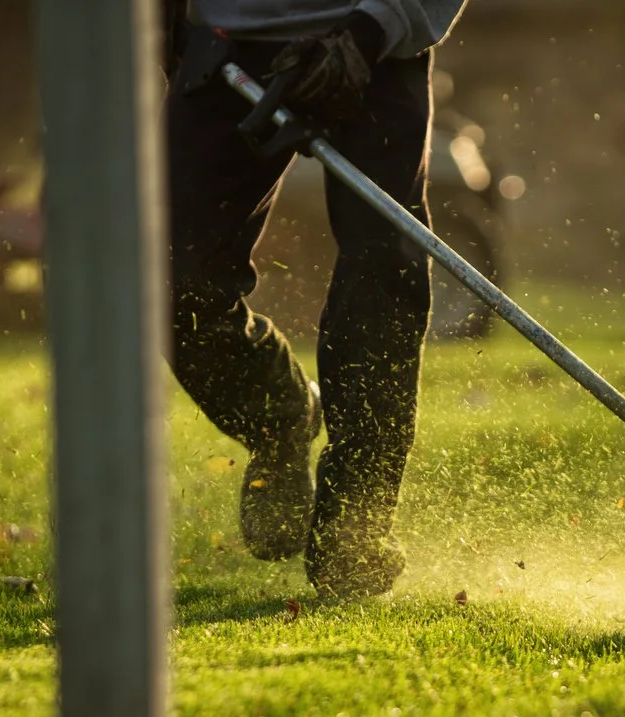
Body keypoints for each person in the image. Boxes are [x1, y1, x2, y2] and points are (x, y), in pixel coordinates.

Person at [165, 1, 469, 597]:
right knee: (170, 279)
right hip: (226, 40)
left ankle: (355, 521)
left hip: (372, 39)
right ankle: (278, 416)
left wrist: (377, 24)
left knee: (381, 274)